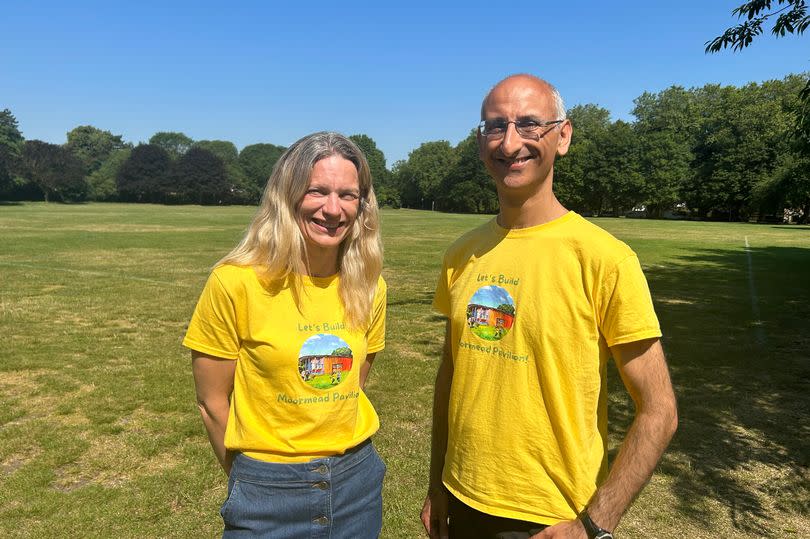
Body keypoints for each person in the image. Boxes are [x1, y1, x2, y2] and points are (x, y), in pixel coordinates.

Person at [420, 75, 678, 539]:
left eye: (529, 124)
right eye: (495, 126)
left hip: (552, 517)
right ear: (482, 143)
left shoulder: (605, 259)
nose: (510, 141)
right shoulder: (462, 254)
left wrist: (595, 522)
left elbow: (659, 409)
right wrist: (437, 482)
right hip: (461, 497)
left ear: (563, 136)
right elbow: (450, 376)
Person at [184, 132, 387, 538]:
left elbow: (353, 383)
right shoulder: (235, 282)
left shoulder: (370, 285)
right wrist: (254, 478)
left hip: (356, 482)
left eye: (348, 195)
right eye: (317, 191)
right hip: (267, 490)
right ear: (287, 195)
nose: (333, 209)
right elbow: (211, 402)